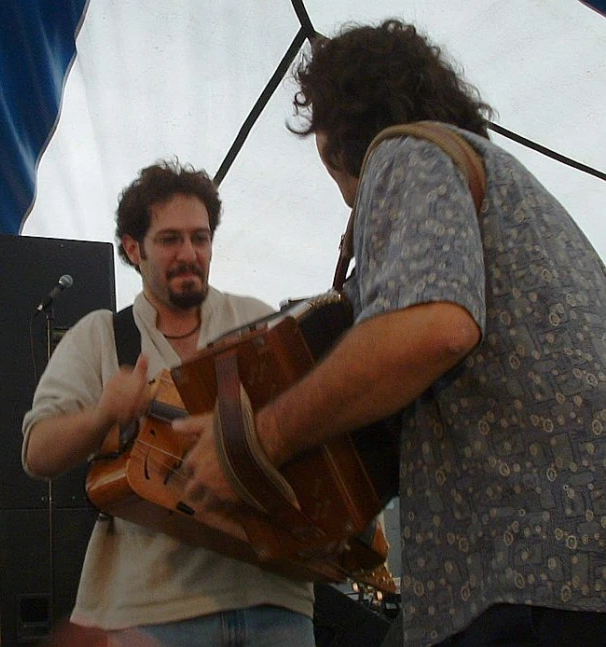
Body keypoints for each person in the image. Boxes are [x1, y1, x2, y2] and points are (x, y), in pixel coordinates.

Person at [172, 19, 606, 647]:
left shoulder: (405, 154)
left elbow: (431, 330)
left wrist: (255, 442)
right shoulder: (505, 184)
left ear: (330, 137)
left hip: (532, 576)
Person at [22, 160, 315, 647]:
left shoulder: (258, 323)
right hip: (149, 611)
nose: (189, 253)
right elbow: (36, 452)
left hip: (275, 602)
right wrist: (102, 414)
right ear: (134, 249)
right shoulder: (100, 336)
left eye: (200, 239)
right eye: (170, 240)